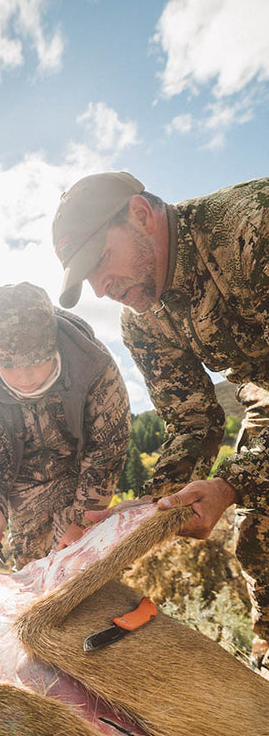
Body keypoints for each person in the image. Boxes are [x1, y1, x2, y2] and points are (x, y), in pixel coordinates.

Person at [52, 170, 269, 660]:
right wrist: (153, 507)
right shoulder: (143, 319)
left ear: (142, 215)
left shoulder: (252, 229)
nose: (103, 289)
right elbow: (192, 421)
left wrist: (231, 484)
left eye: (102, 262)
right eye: (90, 279)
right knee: (260, 533)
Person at [0, 281, 130, 568]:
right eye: (10, 368)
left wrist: (83, 521)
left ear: (54, 349)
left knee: (85, 570)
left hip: (82, 482)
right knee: (32, 579)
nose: (25, 379)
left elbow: (107, 449)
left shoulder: (93, 366)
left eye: (37, 363)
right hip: (24, 497)